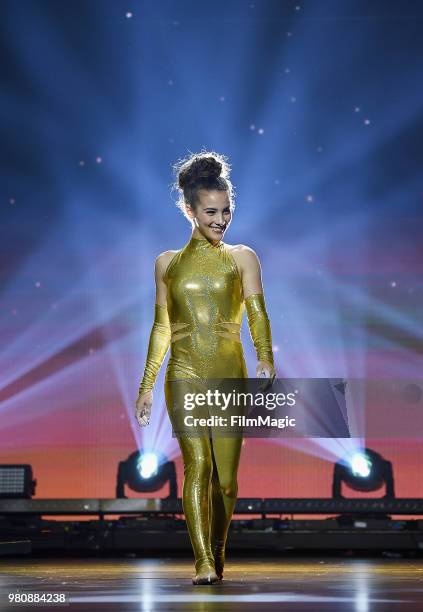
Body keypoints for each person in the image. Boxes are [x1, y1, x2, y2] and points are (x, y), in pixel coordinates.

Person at [135, 151, 276, 585]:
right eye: (211, 211)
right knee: (197, 466)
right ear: (190, 210)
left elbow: (257, 313)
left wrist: (265, 356)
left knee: (227, 483)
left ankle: (217, 551)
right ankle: (202, 561)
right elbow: (162, 327)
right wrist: (146, 385)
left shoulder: (242, 257)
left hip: (229, 374)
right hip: (184, 372)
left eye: (226, 210)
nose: (221, 219)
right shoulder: (167, 264)